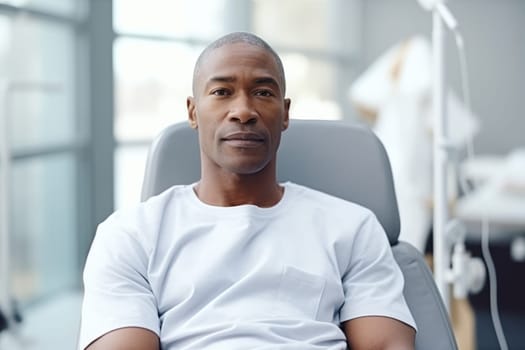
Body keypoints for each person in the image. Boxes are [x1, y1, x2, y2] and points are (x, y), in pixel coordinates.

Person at [78, 32, 416, 350]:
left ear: (285, 114)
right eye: (222, 92)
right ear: (193, 112)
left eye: (263, 92)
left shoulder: (352, 227)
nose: (243, 111)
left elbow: (387, 345)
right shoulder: (130, 235)